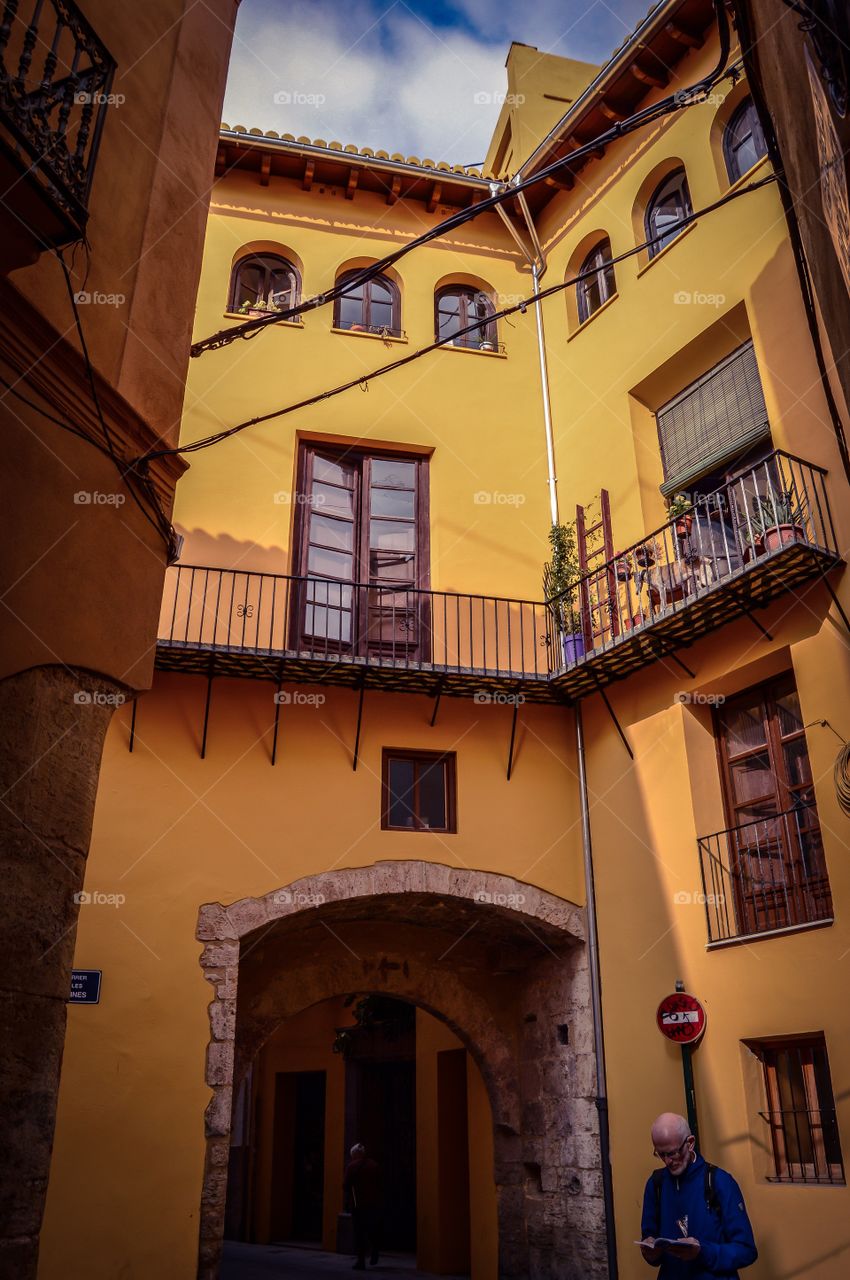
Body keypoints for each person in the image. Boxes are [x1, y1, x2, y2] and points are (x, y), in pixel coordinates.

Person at [639, 1112, 757, 1277]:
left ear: (690, 1143)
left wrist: (702, 1252)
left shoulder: (720, 1182)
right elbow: (650, 1241)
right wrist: (650, 1253)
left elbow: (747, 1250)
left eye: (672, 1153)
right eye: (660, 1154)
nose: (667, 1161)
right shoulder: (656, 1184)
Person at [344, 1142, 381, 1270]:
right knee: (372, 1229)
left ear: (355, 1154)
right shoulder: (374, 1165)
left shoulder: (351, 1166)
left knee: (359, 1232)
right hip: (373, 1203)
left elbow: (346, 1186)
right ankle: (375, 1249)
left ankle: (361, 1261)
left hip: (358, 1204)